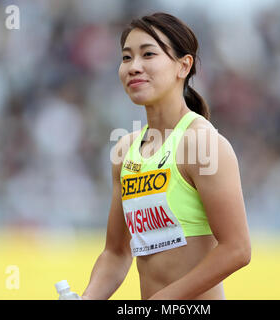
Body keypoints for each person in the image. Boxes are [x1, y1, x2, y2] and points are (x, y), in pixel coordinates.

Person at [82, 12, 251, 300]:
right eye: (126, 58)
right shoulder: (125, 152)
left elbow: (237, 249)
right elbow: (116, 253)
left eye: (148, 54)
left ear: (183, 66)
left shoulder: (202, 143)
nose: (134, 67)